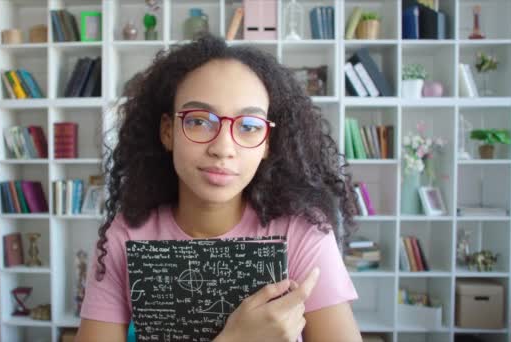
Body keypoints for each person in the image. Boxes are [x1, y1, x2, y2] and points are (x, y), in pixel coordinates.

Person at [76, 33, 362, 342]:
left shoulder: (302, 234)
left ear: (267, 143)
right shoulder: (125, 236)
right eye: (199, 121)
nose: (223, 148)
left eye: (249, 126)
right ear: (168, 131)